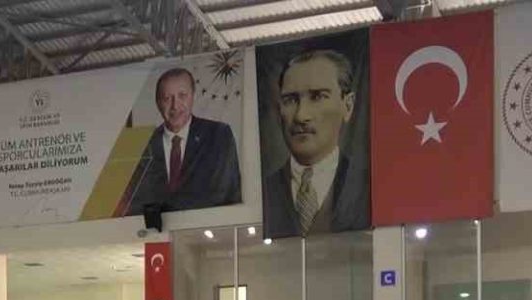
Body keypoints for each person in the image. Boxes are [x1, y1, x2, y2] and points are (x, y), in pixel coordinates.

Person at [262, 49, 368, 238]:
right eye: (290, 100)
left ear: (348, 105)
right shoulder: (262, 193)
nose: (301, 116)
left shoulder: (369, 188)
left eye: (318, 97)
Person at [124, 66, 241, 215]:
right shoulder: (141, 146)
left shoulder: (218, 135)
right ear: (158, 102)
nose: (175, 105)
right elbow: (133, 204)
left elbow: (226, 194)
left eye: (182, 96)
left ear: (193, 96)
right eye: (167, 98)